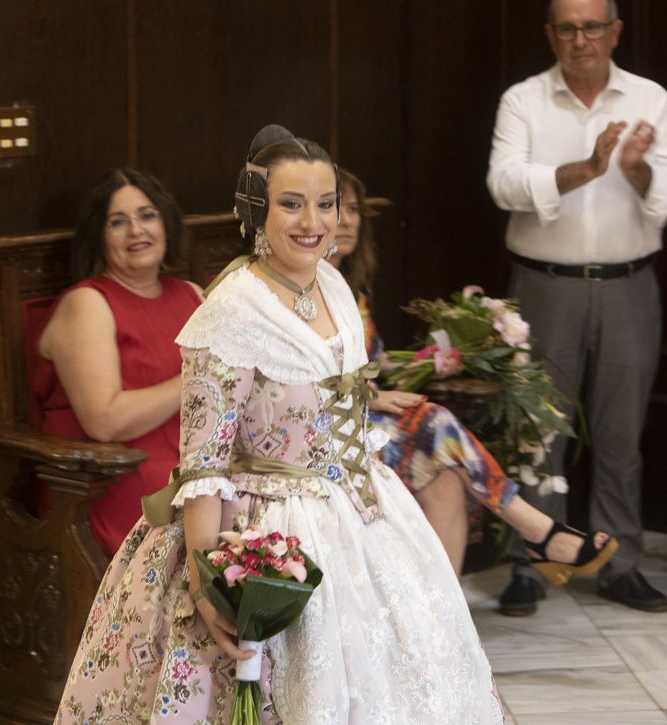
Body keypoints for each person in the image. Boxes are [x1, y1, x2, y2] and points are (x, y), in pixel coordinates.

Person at [56, 125, 508, 723]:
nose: (312, 221)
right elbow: (204, 463)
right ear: (255, 211)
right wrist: (206, 582)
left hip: (362, 512)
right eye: (291, 204)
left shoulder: (335, 284)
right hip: (268, 530)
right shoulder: (231, 310)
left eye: (327, 204)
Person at [486, 0, 667, 616]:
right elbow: (502, 183)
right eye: (569, 28)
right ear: (550, 35)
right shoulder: (522, 99)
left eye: (593, 27)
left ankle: (618, 562)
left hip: (630, 285)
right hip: (544, 287)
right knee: (536, 437)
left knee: (619, 435)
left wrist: (635, 171)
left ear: (616, 32)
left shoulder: (649, 98)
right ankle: (532, 562)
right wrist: (585, 169)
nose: (582, 39)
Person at [331, 168, 616, 578]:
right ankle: (539, 532)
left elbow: (369, 364)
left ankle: (446, 626)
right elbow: (306, 373)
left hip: (367, 419)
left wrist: (442, 359)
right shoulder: (305, 290)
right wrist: (371, 396)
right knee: (435, 421)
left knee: (446, 475)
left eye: (354, 209)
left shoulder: (353, 287)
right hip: (328, 426)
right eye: (334, 207)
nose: (346, 219)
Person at [32, 168, 203, 556]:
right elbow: (104, 420)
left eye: (147, 215)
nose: (136, 231)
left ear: (166, 223)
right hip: (114, 482)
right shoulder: (87, 303)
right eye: (117, 221)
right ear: (99, 237)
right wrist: (200, 376)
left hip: (201, 472)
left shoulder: (194, 295)